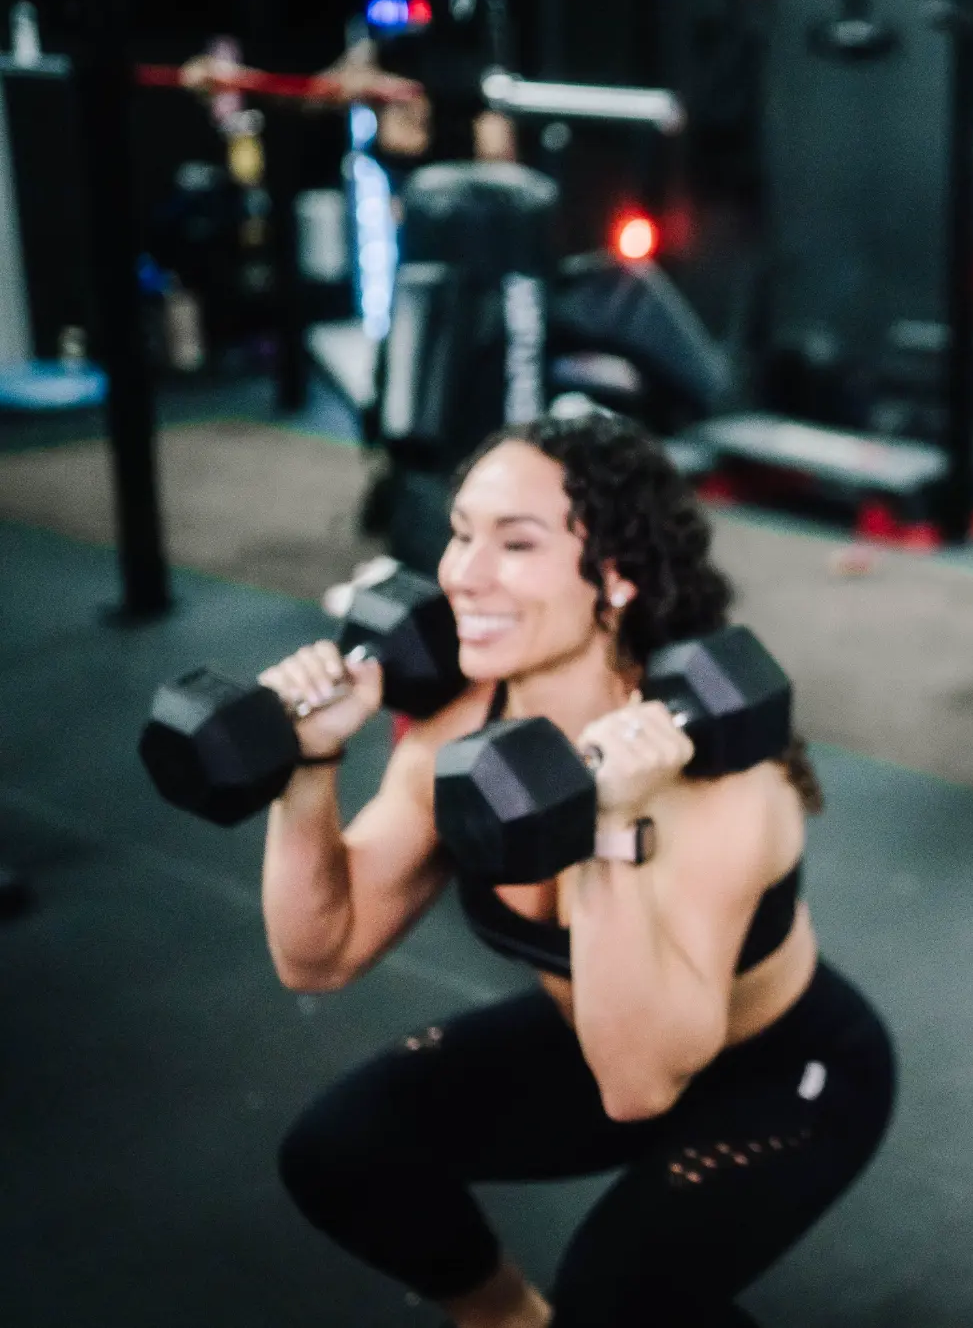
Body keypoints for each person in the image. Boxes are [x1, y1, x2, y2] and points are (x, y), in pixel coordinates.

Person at [257, 414, 895, 1328]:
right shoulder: (458, 731)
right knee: (339, 1148)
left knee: (618, 1299)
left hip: (780, 1073)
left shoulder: (718, 784)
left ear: (617, 577)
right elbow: (317, 954)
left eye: (516, 544)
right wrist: (308, 766)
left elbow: (642, 1085)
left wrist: (611, 825)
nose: (461, 574)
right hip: (590, 1039)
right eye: (462, 533)